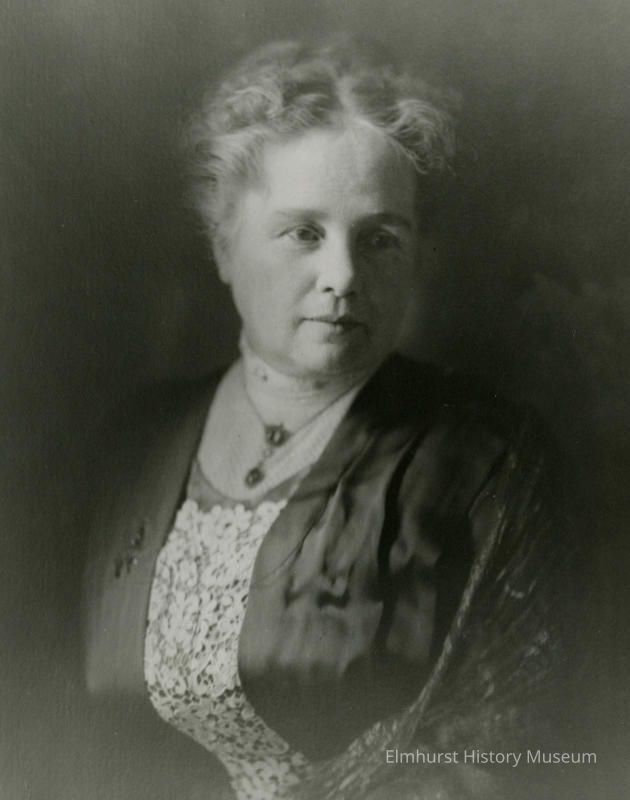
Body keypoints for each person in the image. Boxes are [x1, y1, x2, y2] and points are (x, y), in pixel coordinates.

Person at [82, 37, 574, 800]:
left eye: (380, 239)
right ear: (224, 246)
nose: (342, 276)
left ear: (416, 256)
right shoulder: (132, 442)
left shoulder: (490, 462)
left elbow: (514, 757)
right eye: (303, 233)